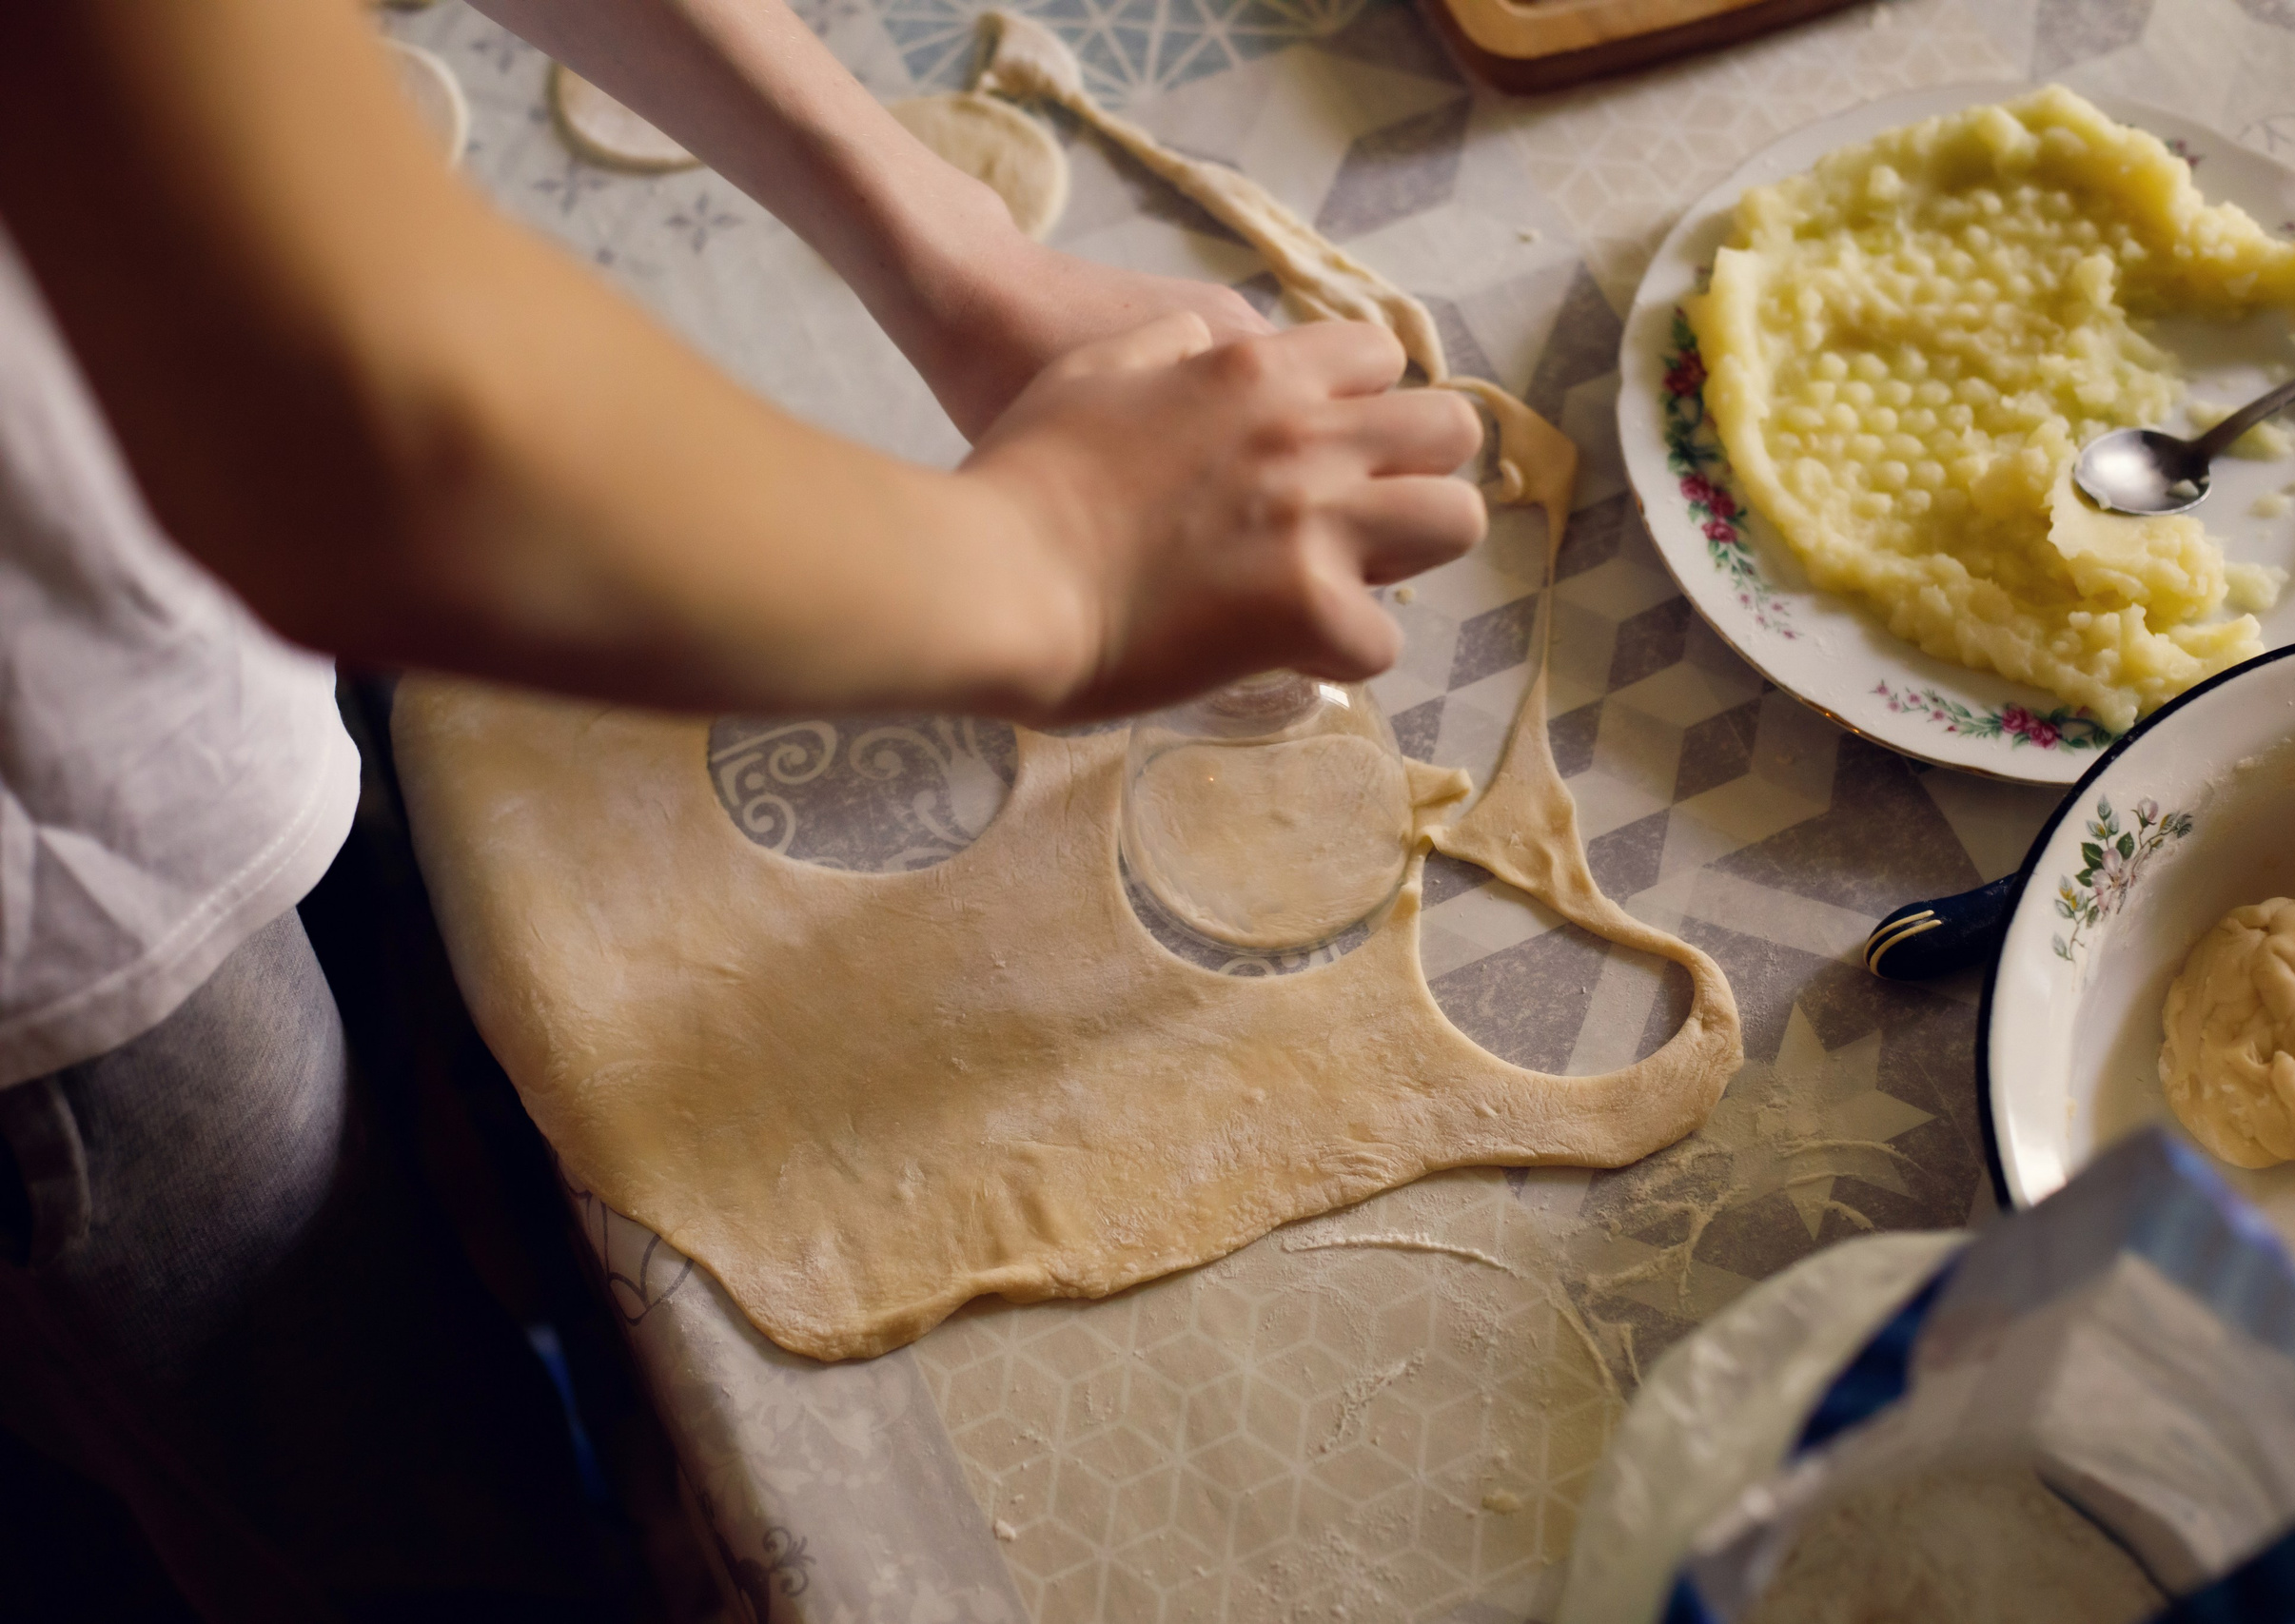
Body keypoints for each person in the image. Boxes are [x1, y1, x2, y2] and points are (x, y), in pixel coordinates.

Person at [0, 0, 1485, 1615]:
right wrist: (1052, 563)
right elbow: (353, 428)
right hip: (55, 884)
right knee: (358, 1434)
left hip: (140, 575)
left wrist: (958, 249)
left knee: (442, 1074)